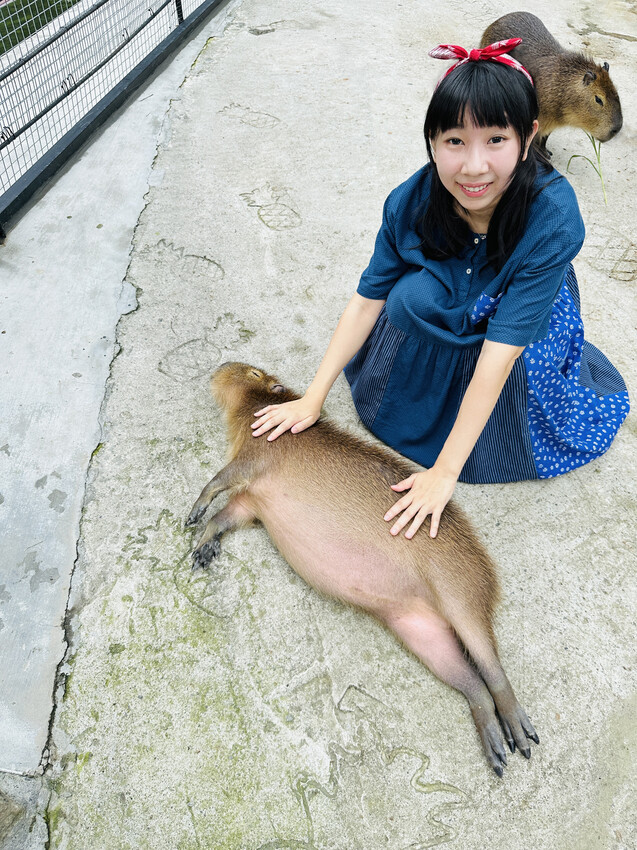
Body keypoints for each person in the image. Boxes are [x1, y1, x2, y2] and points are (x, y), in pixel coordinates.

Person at [251, 39, 629, 539]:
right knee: (407, 302)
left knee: (522, 359)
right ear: (431, 141)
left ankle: (480, 430)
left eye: (496, 140)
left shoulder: (553, 218)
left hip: (517, 323)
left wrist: (444, 472)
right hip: (453, 282)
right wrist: (312, 398)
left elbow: (498, 356)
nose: (474, 167)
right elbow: (368, 300)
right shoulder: (410, 200)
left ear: (530, 135)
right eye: (455, 141)